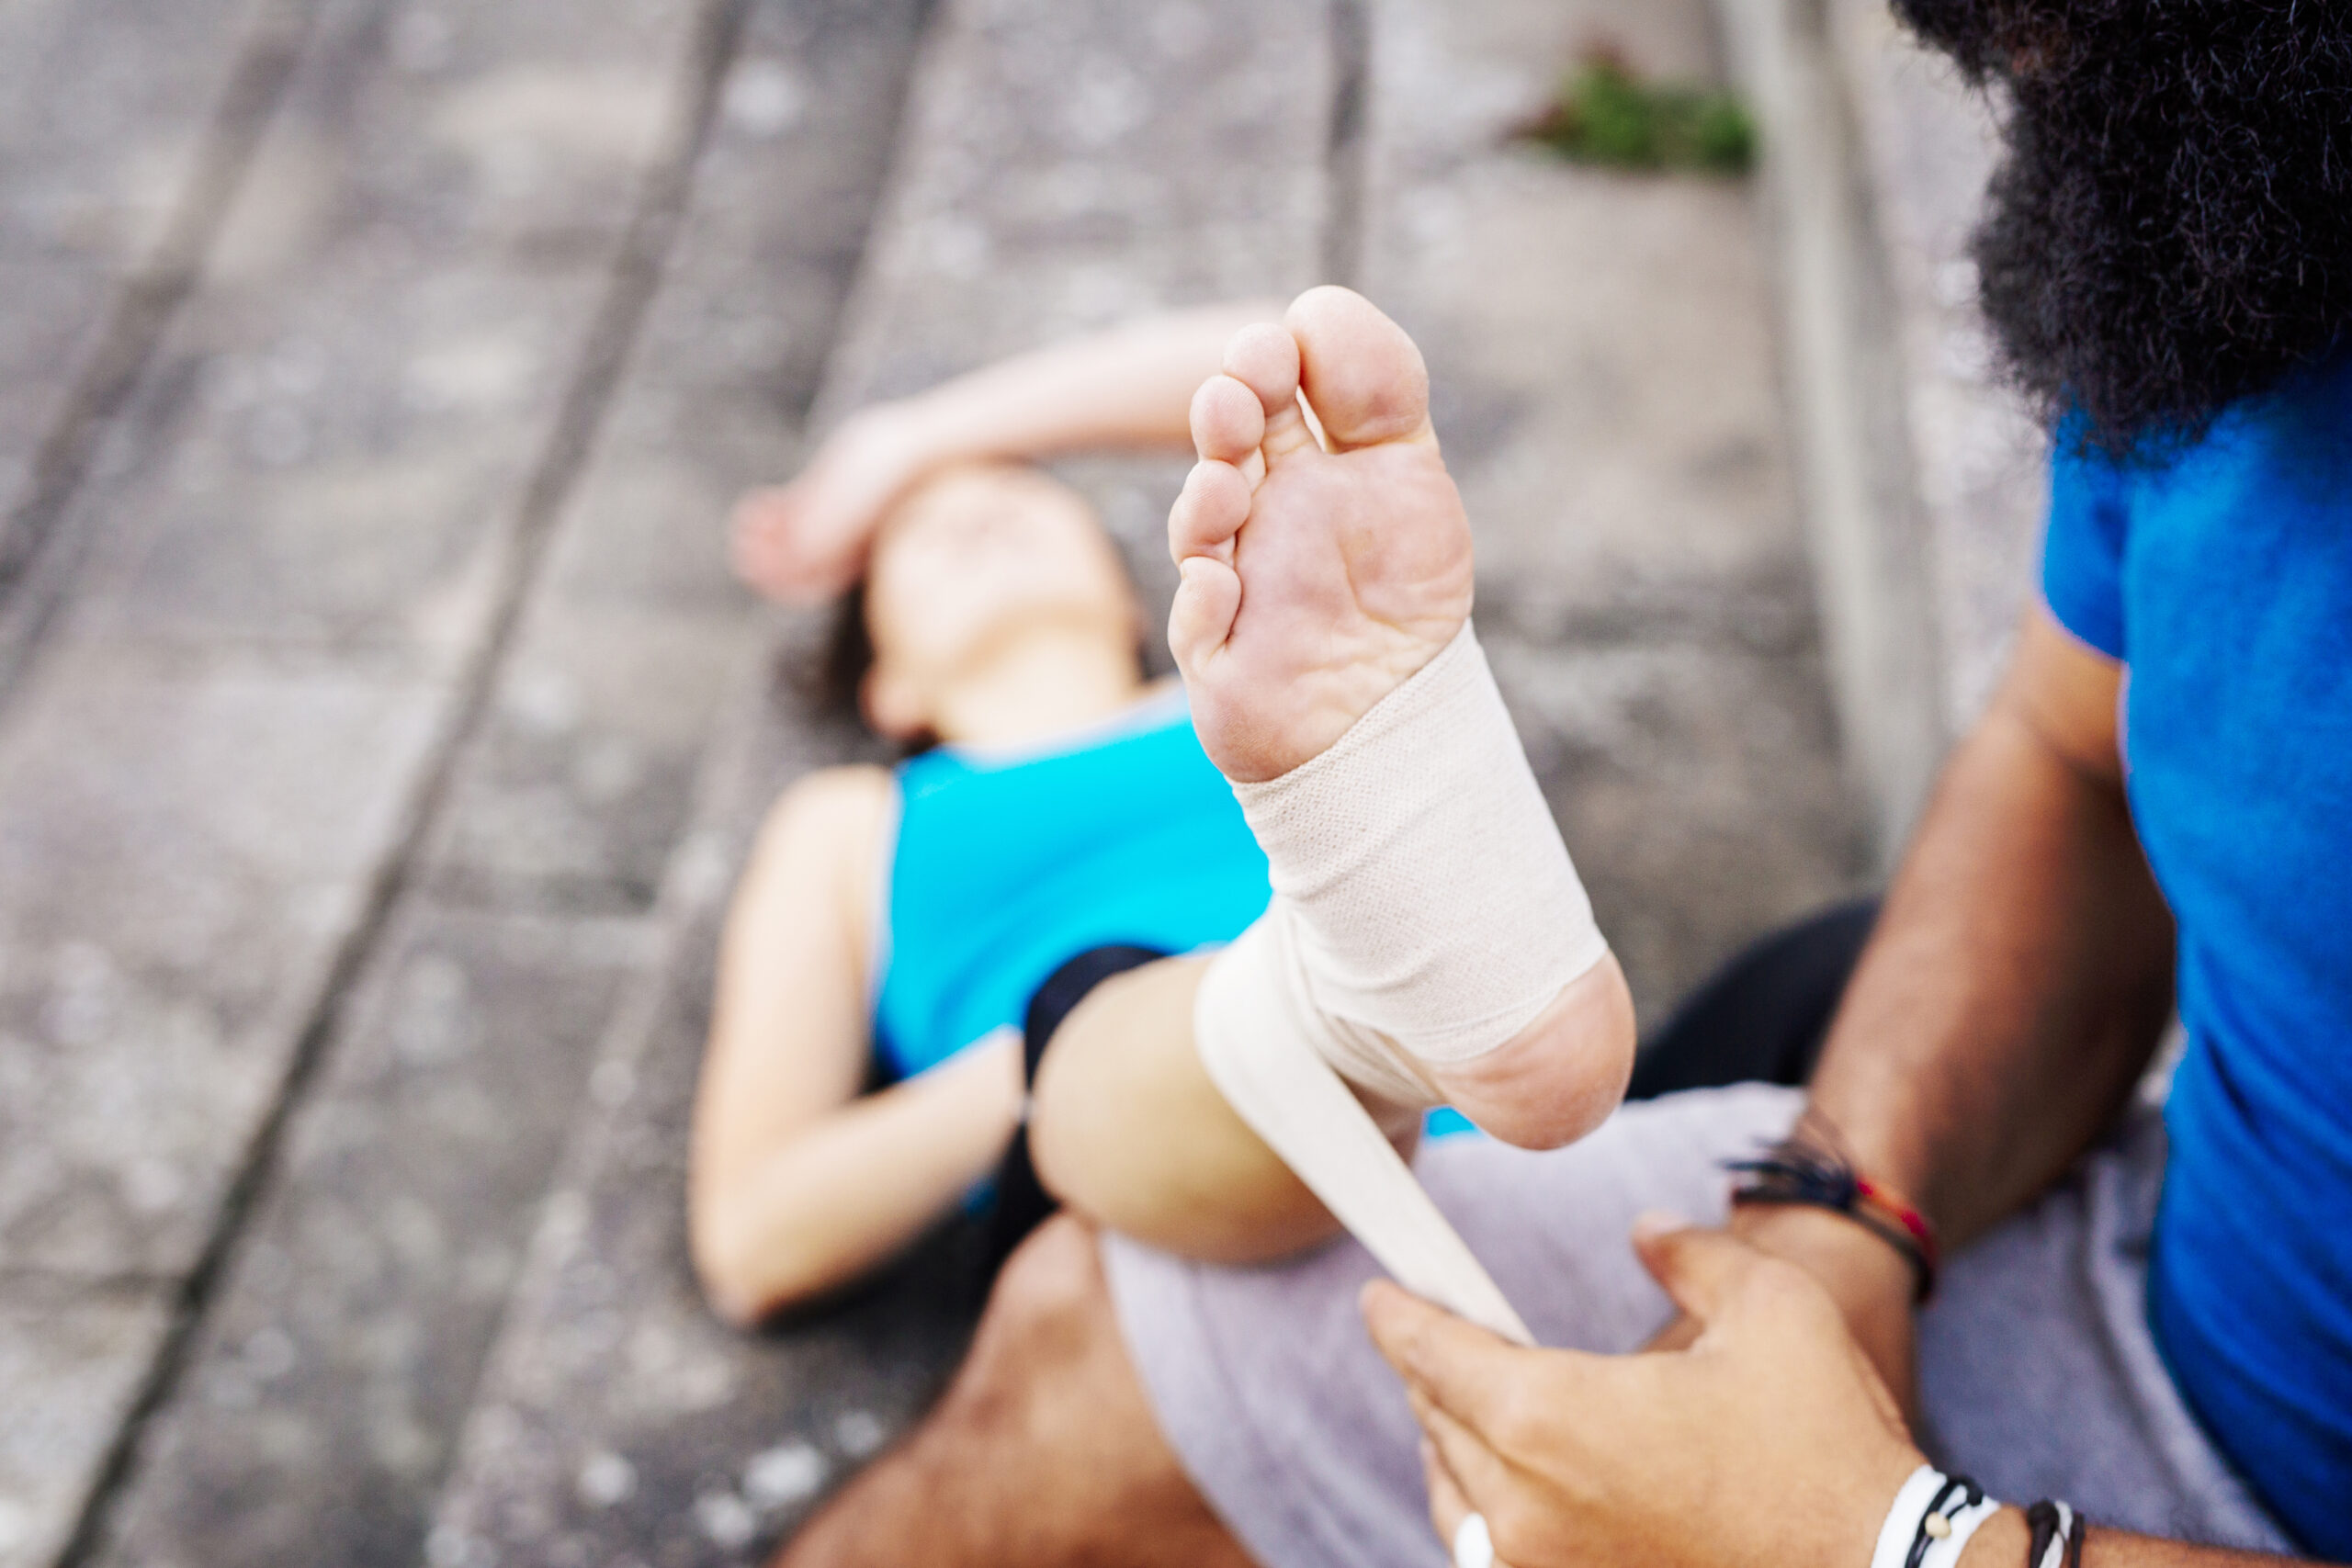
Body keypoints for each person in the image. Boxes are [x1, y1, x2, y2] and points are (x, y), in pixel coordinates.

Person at [768, 1, 2352, 1561]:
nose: (2015, 63)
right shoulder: (2224, 209)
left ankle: (1358, 996)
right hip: (2161, 1290)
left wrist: (1891, 1543)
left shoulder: (1186, 669)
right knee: (1088, 1309)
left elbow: (1277, 359)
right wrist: (1836, 1234)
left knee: (1123, 1096)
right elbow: (2068, 753)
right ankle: (1354, 997)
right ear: (885, 687)